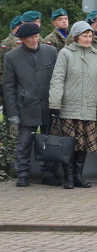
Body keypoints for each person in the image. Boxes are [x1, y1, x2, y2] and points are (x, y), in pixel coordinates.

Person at [48, 21, 97, 189]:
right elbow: (58, 79)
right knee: (69, 143)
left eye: (90, 36)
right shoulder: (66, 53)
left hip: (89, 108)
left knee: (84, 144)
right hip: (69, 107)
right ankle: (68, 176)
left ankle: (78, 175)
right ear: (76, 36)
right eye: (85, 36)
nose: (88, 39)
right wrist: (55, 103)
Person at [3, 22, 59, 187]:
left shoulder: (51, 52)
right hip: (26, 106)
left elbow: (58, 78)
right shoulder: (11, 57)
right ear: (22, 39)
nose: (34, 40)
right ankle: (23, 174)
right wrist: (12, 112)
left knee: (49, 142)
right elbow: (9, 87)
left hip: (49, 104)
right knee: (24, 142)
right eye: (30, 38)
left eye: (36, 37)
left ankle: (48, 173)